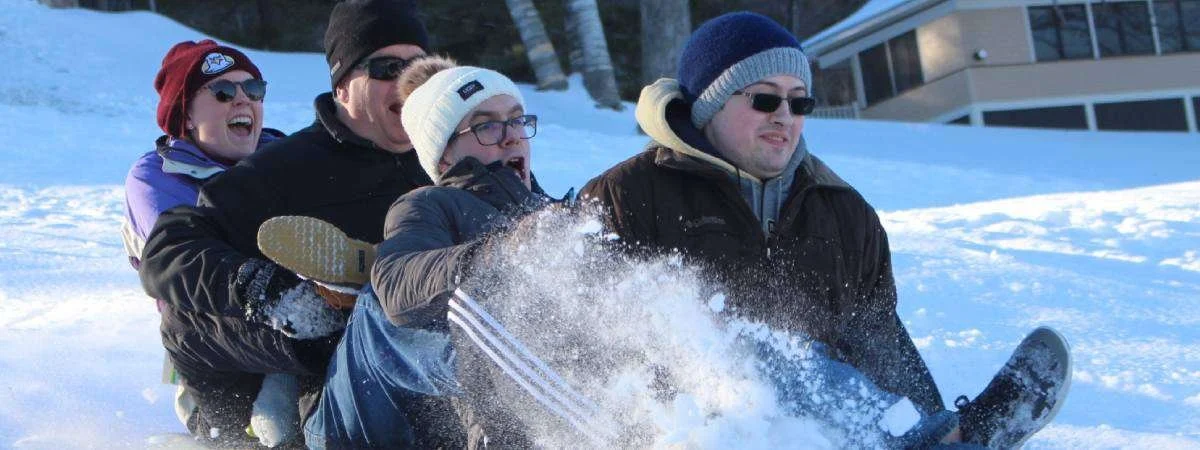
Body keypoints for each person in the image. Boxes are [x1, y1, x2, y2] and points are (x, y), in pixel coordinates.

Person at [579, 11, 1066, 448]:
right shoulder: (628, 196)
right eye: (765, 99)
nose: (784, 117)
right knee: (751, 353)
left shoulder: (844, 213)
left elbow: (880, 344)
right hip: (679, 426)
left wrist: (937, 424)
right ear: (709, 106)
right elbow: (587, 338)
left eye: (799, 102)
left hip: (826, 437)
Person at [136, 0, 439, 446]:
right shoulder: (291, 168)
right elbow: (168, 250)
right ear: (342, 85)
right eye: (386, 67)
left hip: (455, 357)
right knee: (187, 322)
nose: (406, 81)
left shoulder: (451, 153)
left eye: (420, 68)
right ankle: (230, 433)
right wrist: (264, 290)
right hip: (347, 381)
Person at [259, 59, 564, 449]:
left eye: (518, 120)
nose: (511, 137)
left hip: (444, 425)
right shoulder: (427, 204)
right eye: (487, 125)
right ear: (443, 156)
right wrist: (496, 255)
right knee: (383, 301)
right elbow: (399, 284)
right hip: (358, 424)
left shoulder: (550, 216)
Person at [121, 38, 303, 446]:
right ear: (185, 114)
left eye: (253, 90)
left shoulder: (289, 156)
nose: (243, 100)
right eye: (223, 92)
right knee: (270, 426)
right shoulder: (157, 176)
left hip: (299, 329)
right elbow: (186, 259)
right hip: (215, 349)